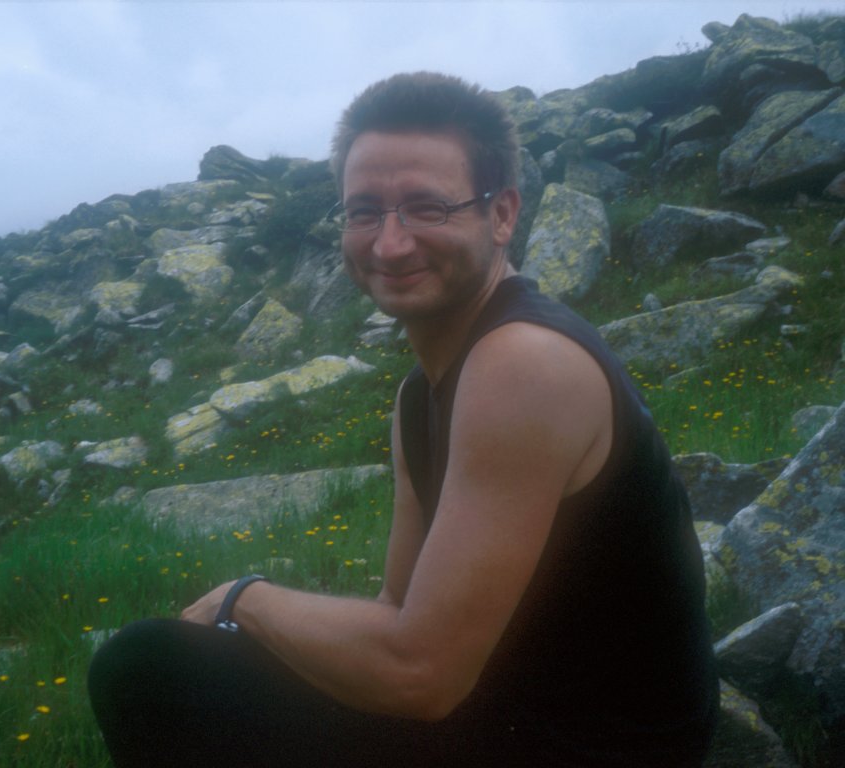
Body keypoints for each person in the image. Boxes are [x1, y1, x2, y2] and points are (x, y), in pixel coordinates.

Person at [88, 71, 719, 767]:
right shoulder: (419, 396)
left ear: (502, 214)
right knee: (178, 667)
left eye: (427, 207)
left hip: (590, 744)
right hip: (503, 704)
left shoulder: (525, 361)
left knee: (145, 668)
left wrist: (245, 600)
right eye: (364, 211)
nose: (389, 244)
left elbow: (422, 673)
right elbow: (398, 608)